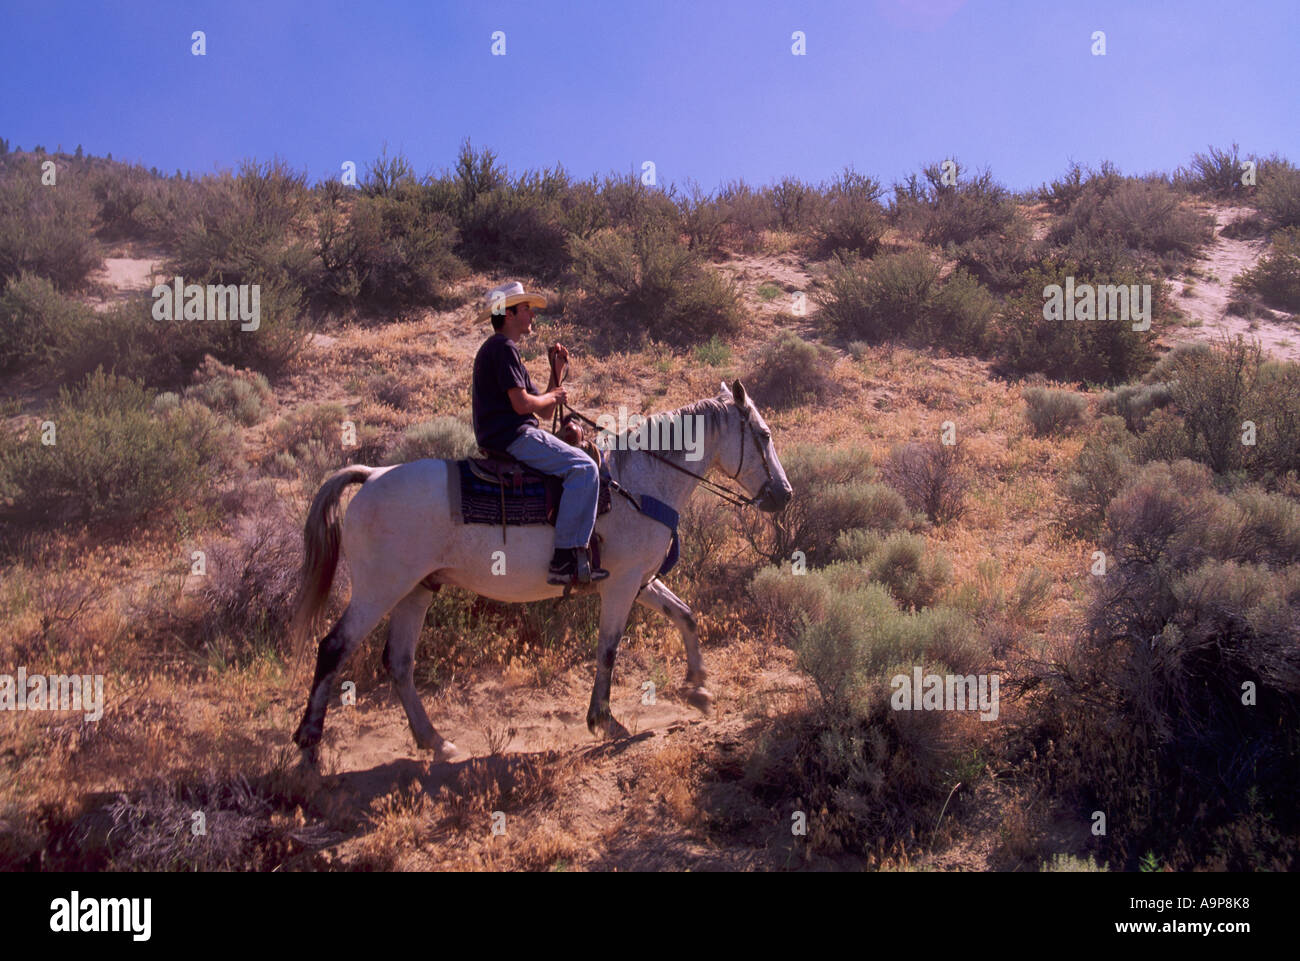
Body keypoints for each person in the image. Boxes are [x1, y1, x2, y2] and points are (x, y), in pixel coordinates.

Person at [471, 281, 609, 585]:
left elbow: (544, 410)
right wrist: (553, 398)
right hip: (514, 437)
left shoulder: (507, 351)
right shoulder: (502, 348)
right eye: (526, 309)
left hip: (510, 434)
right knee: (585, 468)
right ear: (508, 314)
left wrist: (555, 372)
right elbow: (522, 405)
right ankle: (564, 559)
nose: (532, 315)